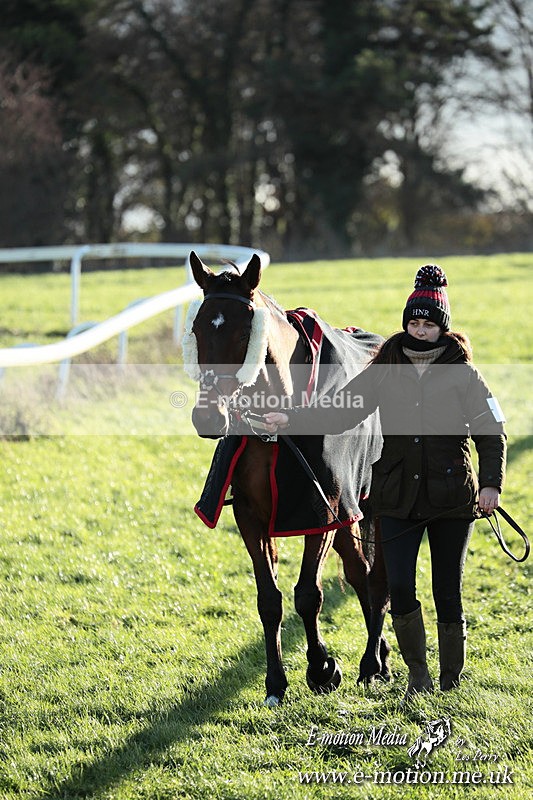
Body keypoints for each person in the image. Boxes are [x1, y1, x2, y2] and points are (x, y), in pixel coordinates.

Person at [264, 264, 506, 702]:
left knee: (447, 590)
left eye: (428, 324)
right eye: (413, 322)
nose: (420, 330)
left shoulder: (464, 374)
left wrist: (491, 484)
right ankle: (418, 676)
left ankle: (450, 679)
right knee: (399, 587)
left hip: (452, 498)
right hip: (396, 497)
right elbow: (342, 409)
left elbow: (492, 431)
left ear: (441, 328)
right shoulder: (385, 366)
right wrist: (293, 418)